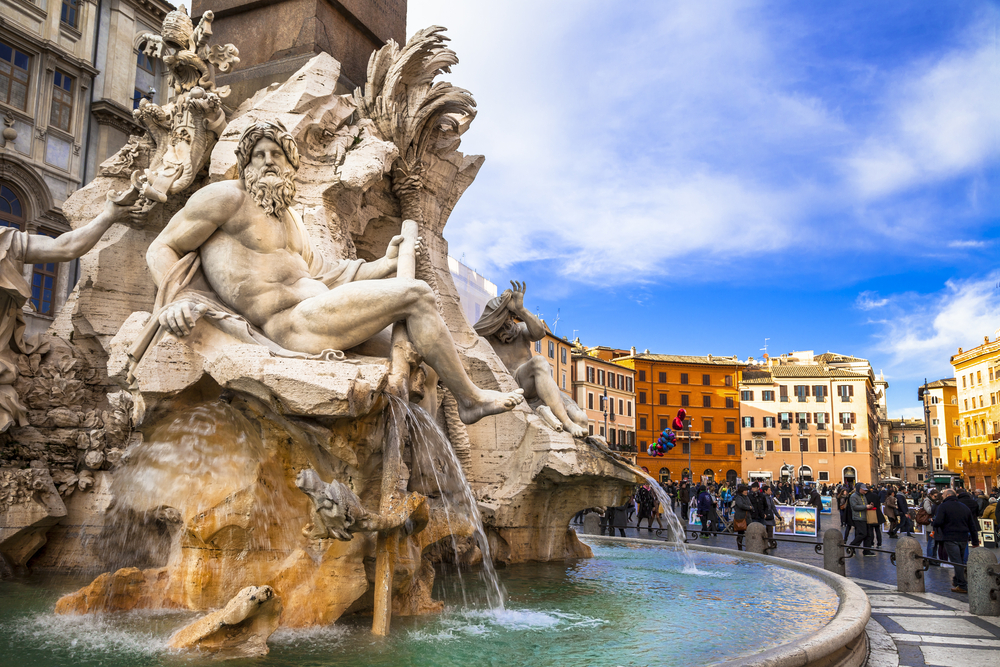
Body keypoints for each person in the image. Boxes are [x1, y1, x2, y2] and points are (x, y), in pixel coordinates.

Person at [144, 121, 523, 425]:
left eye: (276, 154)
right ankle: (470, 400)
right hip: (288, 326)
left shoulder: (293, 221)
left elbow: (326, 276)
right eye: (258, 155)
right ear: (245, 165)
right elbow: (162, 246)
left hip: (319, 312)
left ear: (292, 165)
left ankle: (422, 469)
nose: (268, 161)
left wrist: (385, 264)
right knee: (418, 294)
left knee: (427, 358)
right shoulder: (227, 198)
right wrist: (174, 299)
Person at [932, 488, 980, 594]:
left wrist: (934, 522)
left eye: (943, 495)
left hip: (950, 537)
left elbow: (938, 522)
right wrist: (975, 542)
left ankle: (962, 585)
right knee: (960, 560)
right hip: (963, 538)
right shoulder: (964, 507)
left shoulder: (943, 506)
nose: (942, 496)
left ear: (948, 495)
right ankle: (957, 580)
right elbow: (972, 526)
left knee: (956, 561)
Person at [849, 483, 873, 556]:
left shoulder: (863, 496)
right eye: (863, 490)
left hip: (865, 517)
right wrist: (866, 507)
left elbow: (863, 505)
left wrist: (870, 506)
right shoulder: (853, 496)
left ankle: (867, 551)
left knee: (868, 535)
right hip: (858, 518)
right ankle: (852, 546)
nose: (865, 491)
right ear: (859, 489)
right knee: (862, 534)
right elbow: (855, 507)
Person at [922, 489, 942, 563]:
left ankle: (934, 558)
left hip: (934, 525)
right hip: (930, 525)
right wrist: (935, 507)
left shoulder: (934, 502)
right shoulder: (927, 501)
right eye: (935, 496)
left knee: (935, 543)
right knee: (931, 542)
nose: (936, 498)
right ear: (931, 495)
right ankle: (930, 558)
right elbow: (929, 511)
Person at [733, 485, 753, 551]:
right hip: (741, 517)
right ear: (741, 491)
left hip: (747, 517)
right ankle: (740, 546)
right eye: (745, 490)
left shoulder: (746, 497)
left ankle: (748, 546)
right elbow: (741, 505)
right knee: (740, 533)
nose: (746, 492)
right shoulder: (739, 497)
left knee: (749, 531)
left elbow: (750, 504)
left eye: (747, 490)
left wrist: (751, 507)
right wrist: (748, 507)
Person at [865, 484, 884, 549]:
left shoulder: (865, 496)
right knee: (877, 529)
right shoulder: (875, 495)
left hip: (870, 513)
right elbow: (878, 504)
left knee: (870, 530)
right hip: (877, 513)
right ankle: (879, 543)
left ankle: (872, 543)